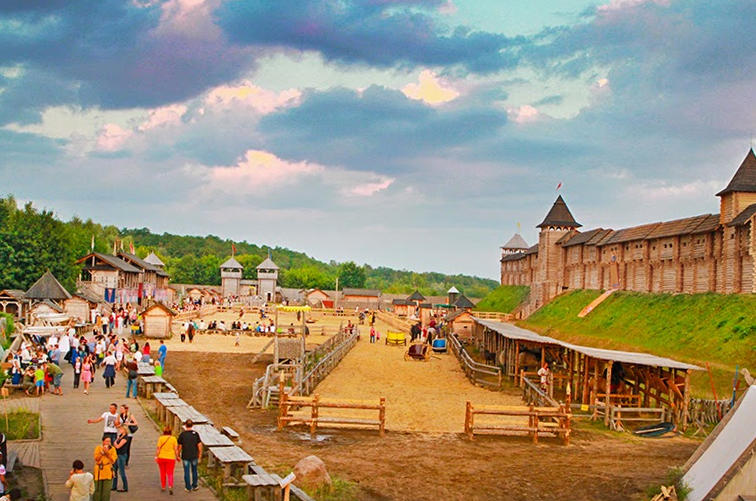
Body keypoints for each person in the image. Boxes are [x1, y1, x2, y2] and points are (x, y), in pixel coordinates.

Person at [177, 420, 202, 492]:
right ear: (192, 425)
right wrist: (199, 456)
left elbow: (180, 446)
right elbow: (199, 446)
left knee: (186, 471)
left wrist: (178, 455)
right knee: (194, 471)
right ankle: (195, 485)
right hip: (194, 455)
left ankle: (188, 487)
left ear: (185, 425)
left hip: (185, 455)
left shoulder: (182, 435)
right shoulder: (196, 434)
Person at [155, 426, 179, 494]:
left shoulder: (161, 438)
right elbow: (176, 449)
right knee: (170, 473)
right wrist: (177, 457)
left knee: (162, 472)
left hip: (161, 457)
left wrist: (156, 456)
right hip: (171, 458)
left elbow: (158, 449)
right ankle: (170, 485)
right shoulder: (173, 439)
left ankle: (163, 486)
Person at [93, 437, 117, 501]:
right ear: (103, 442)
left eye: (109, 441)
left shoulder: (112, 449)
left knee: (106, 491)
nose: (108, 443)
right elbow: (96, 459)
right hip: (99, 471)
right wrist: (102, 453)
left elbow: (113, 460)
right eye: (106, 441)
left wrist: (107, 453)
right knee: (97, 490)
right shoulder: (98, 448)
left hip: (107, 471)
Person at [111, 426, 129, 492]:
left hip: (121, 455)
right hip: (117, 454)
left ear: (124, 430)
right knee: (114, 470)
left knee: (121, 471)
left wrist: (115, 443)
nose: (119, 430)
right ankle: (114, 486)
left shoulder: (125, 438)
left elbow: (118, 446)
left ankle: (125, 487)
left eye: (121, 429)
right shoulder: (120, 436)